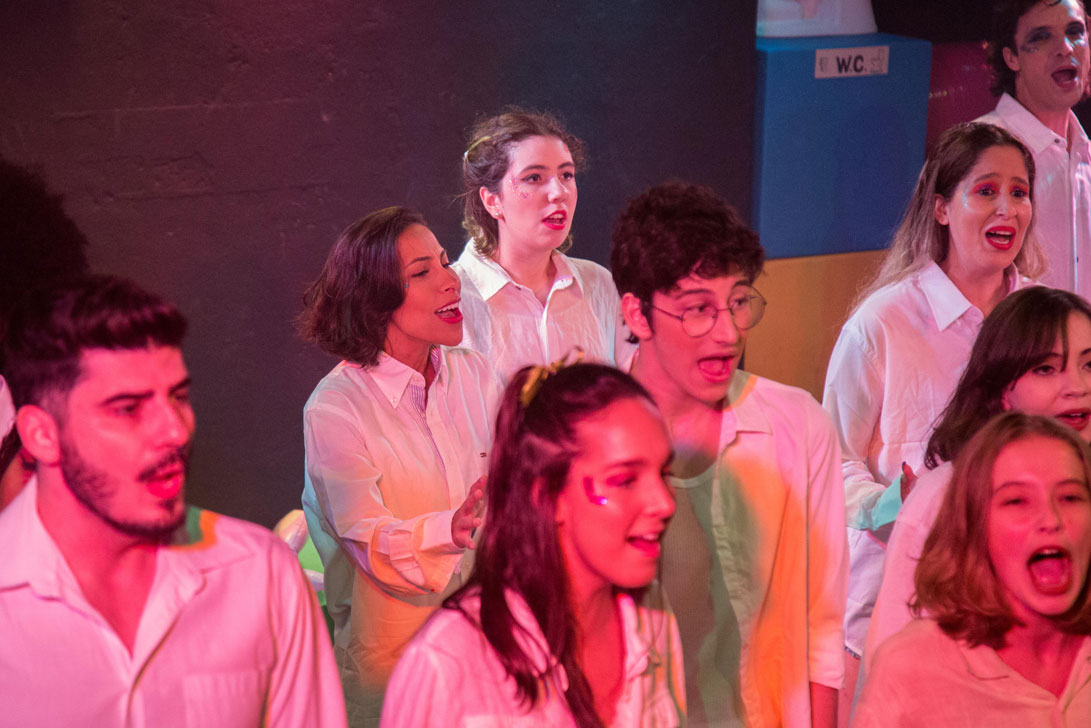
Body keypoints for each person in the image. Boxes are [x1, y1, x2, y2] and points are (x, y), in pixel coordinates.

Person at [0, 275, 345, 726]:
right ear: (42, 435)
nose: (175, 431)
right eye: (128, 408)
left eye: (179, 396)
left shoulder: (260, 575)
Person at [822, 121, 1045, 704]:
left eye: (1019, 192)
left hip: (1017, 608)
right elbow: (830, 464)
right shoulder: (882, 324)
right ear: (942, 208)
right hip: (897, 609)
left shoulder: (1045, 321)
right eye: (986, 190)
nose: (1007, 208)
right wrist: (893, 503)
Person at [611, 181, 847, 727]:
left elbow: (822, 626)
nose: (727, 333)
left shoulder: (797, 425)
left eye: (738, 303)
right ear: (638, 314)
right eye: (698, 309)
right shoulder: (582, 441)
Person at [381, 362, 685, 727]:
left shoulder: (650, 614)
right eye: (625, 480)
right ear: (547, 496)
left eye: (664, 473)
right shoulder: (447, 664)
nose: (665, 503)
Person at [299, 206, 500, 725]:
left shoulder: (477, 375)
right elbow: (367, 539)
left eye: (444, 262)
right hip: (392, 679)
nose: (450, 280)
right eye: (422, 272)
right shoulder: (335, 408)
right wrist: (449, 530)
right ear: (374, 299)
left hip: (487, 664)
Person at [867, 286, 1091, 661]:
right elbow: (890, 658)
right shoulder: (944, 497)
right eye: (1047, 369)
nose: (1078, 388)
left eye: (1089, 365)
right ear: (1002, 390)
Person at [854, 412, 1091, 725]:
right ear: (974, 526)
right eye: (1017, 501)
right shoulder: (912, 668)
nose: (1051, 519)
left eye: (1070, 497)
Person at [455, 108, 633, 381]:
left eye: (567, 175)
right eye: (534, 178)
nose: (558, 193)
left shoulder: (599, 284)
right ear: (492, 201)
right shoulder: (453, 297)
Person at [979, 0, 1091, 300]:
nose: (1065, 48)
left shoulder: (1086, 157)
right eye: (1041, 37)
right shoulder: (975, 153)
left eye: (1075, 31)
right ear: (1011, 57)